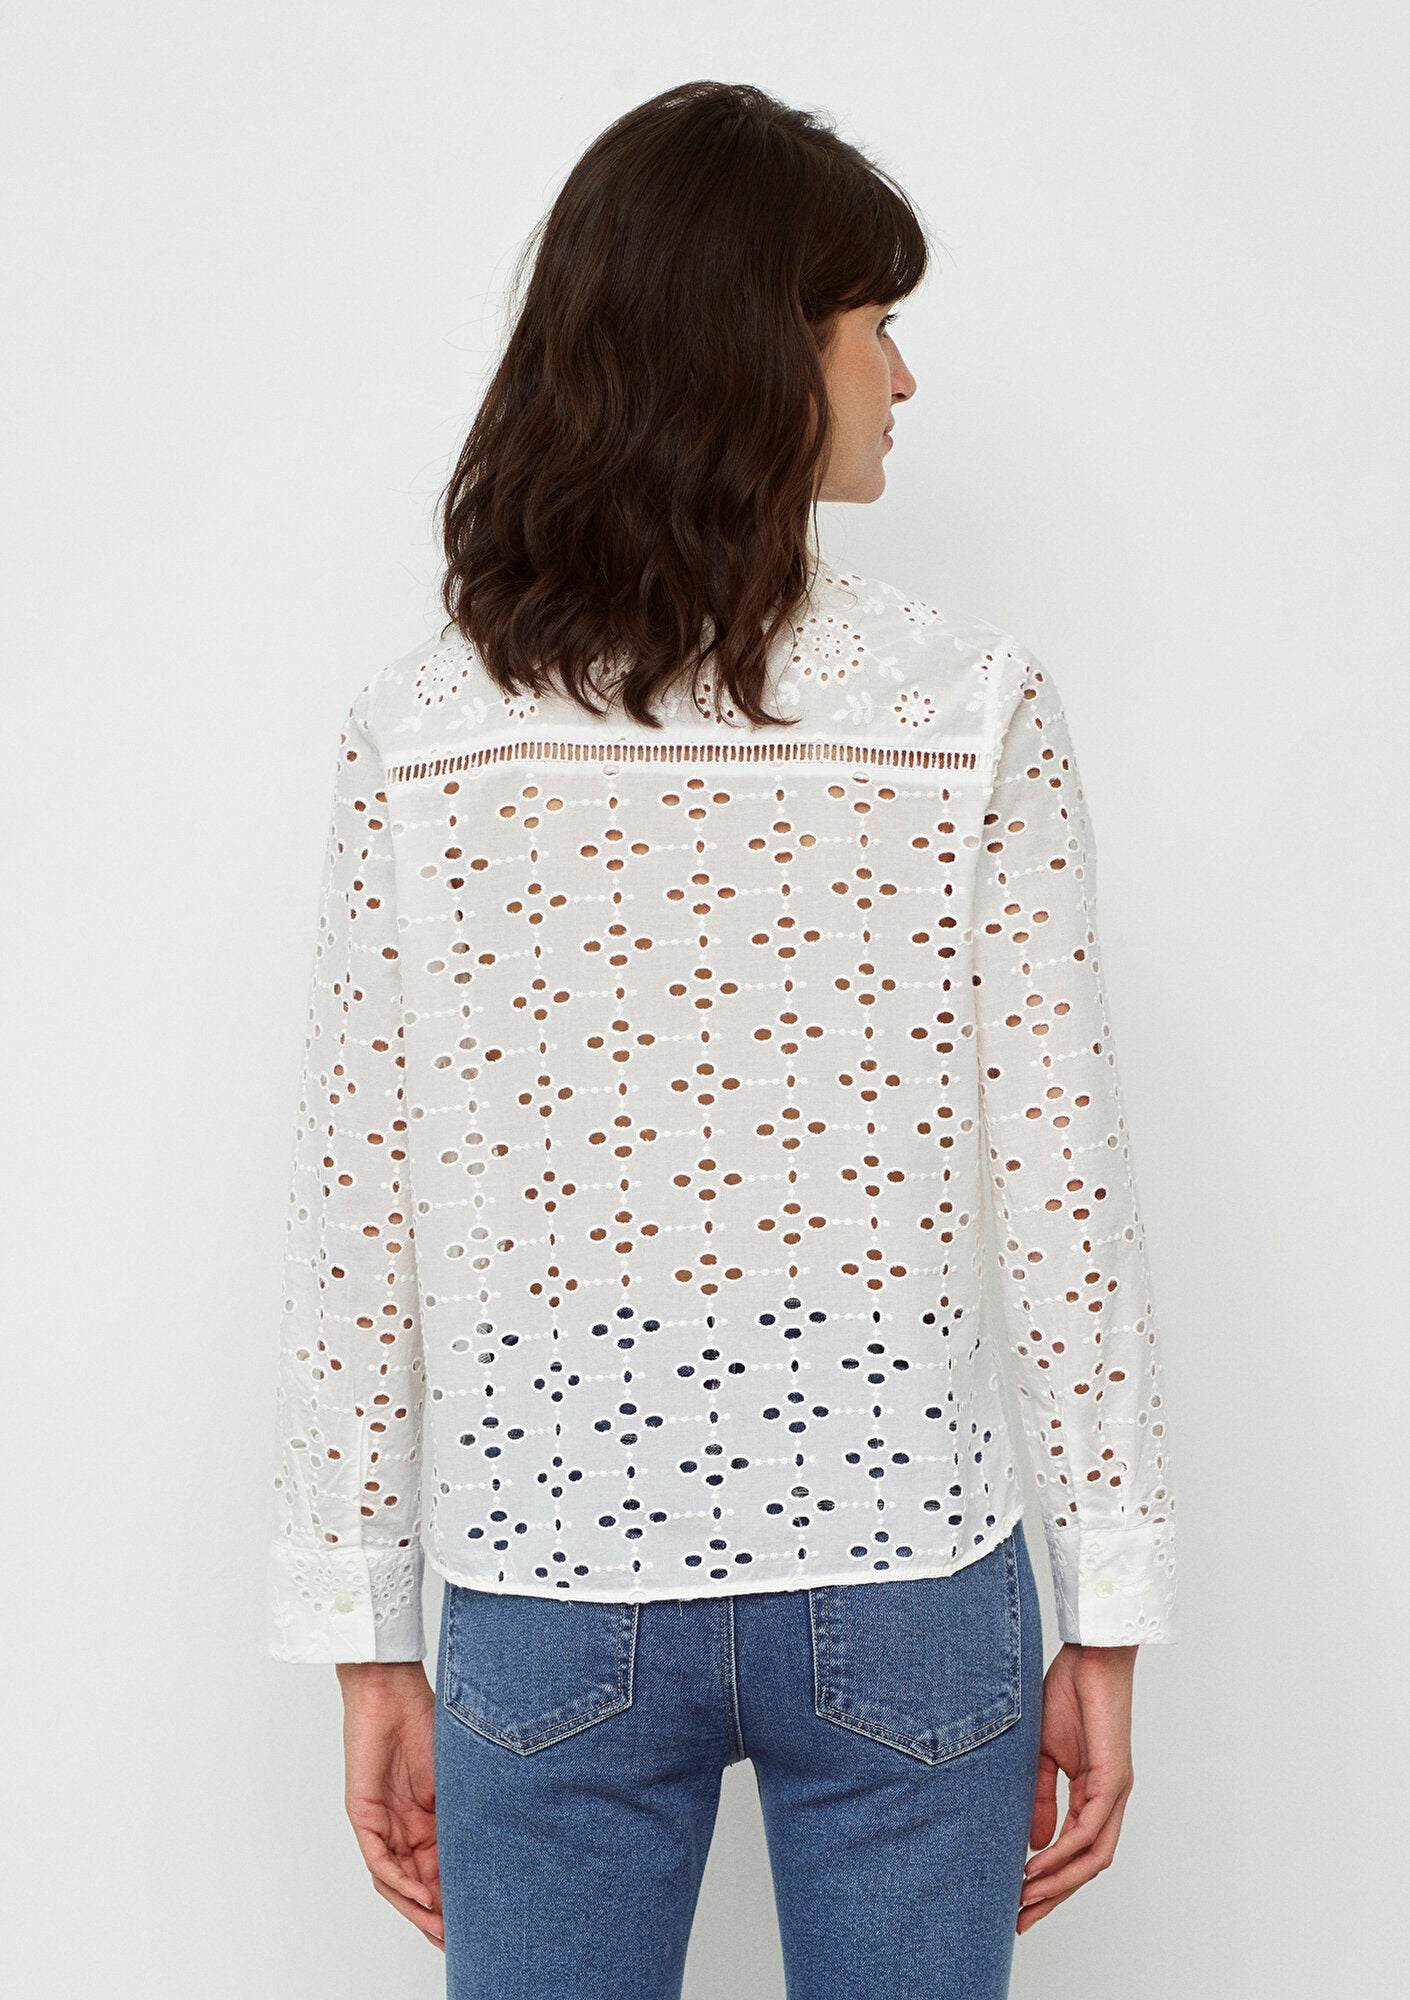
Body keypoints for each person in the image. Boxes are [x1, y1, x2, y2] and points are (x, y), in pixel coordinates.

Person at [266, 79, 1179, 2000]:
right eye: (874, 326)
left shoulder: (423, 733)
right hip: (907, 1561)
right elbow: (1064, 1187)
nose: (904, 380)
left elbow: (359, 1207)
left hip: (545, 1577)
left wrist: (366, 1628)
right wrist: (1106, 1598)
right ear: (763, 345)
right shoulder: (967, 710)